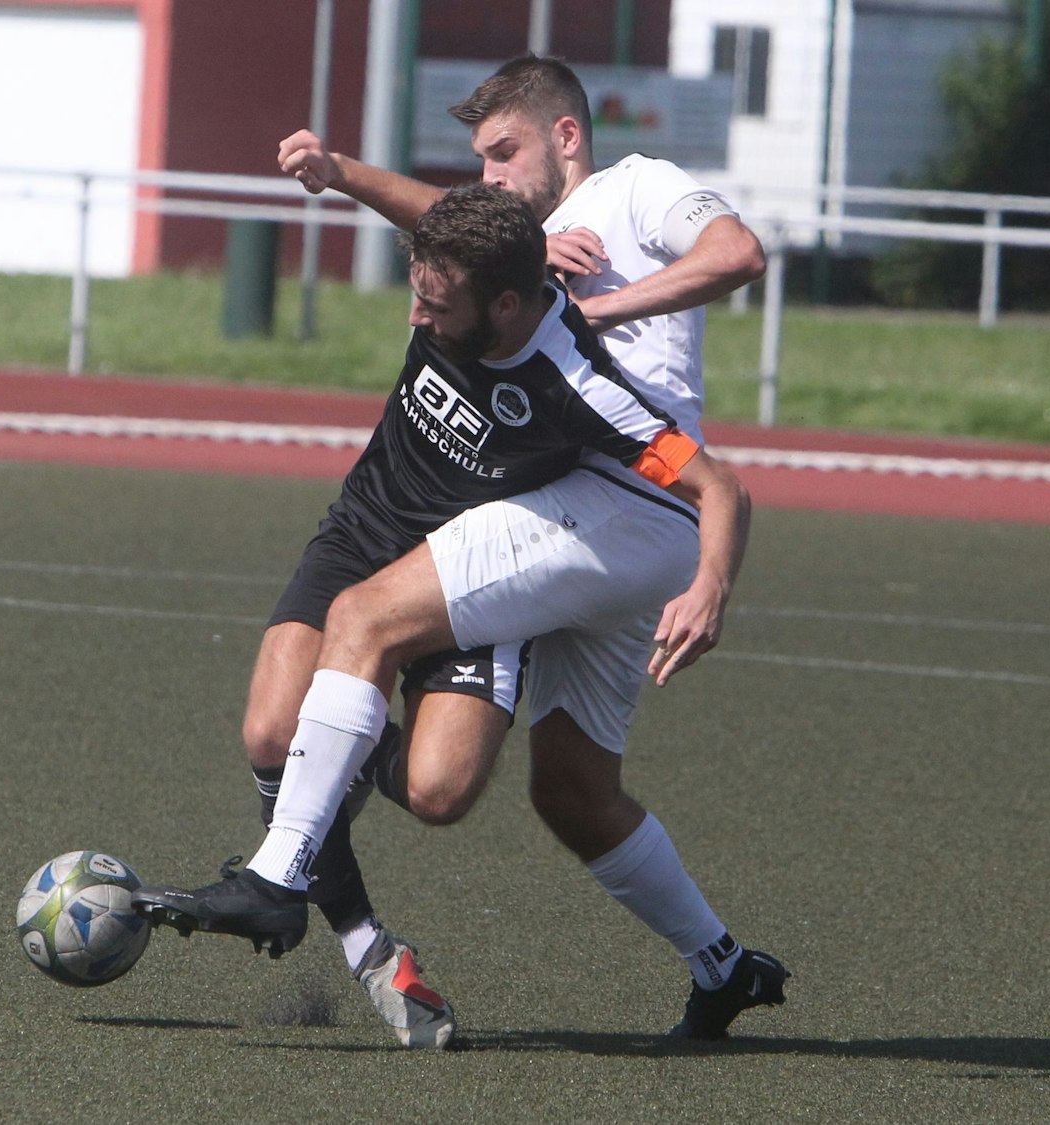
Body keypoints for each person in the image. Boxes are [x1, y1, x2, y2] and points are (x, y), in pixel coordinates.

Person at [138, 182, 773, 1046]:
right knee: (270, 735)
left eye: (438, 306)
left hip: (461, 570)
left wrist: (708, 587)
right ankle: (338, 926)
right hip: (359, 532)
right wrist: (338, 165)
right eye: (418, 294)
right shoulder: (476, 269)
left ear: (504, 306)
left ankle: (289, 855)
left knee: (440, 790)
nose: (419, 318)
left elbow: (716, 486)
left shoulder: (574, 379)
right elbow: (429, 216)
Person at [267, 57, 783, 1041]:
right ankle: (720, 966)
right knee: (573, 791)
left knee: (366, 618)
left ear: (567, 136)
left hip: (619, 500)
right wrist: (343, 171)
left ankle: (278, 866)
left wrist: (585, 310)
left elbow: (737, 253)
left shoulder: (638, 188)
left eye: (505, 152)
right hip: (624, 527)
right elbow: (447, 226)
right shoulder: (527, 240)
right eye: (481, 159)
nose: (491, 174)